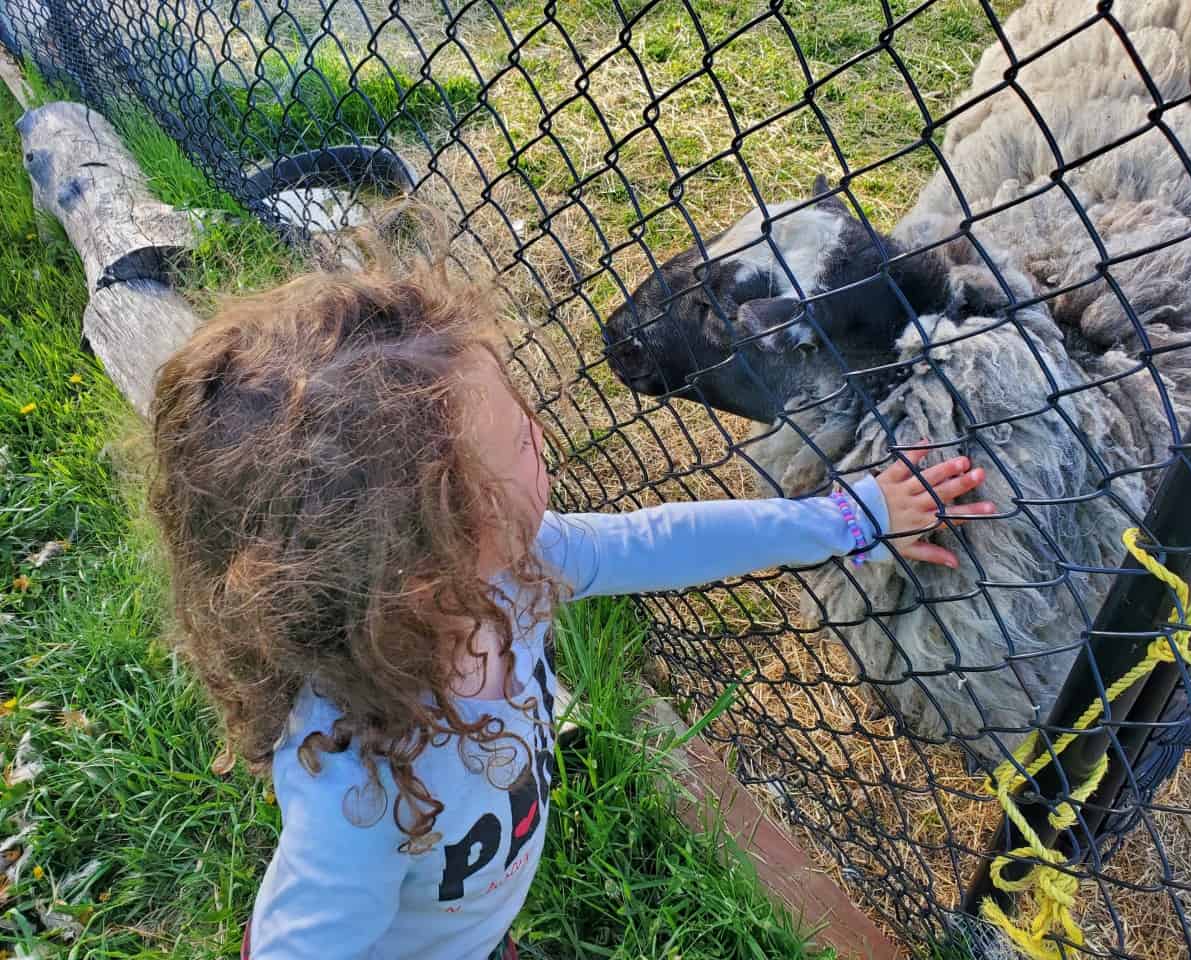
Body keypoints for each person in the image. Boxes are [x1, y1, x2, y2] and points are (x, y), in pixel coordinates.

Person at [146, 246, 994, 960]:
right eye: (515, 439)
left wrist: (853, 516)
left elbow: (668, 540)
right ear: (426, 551)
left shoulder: (517, 568)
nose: (538, 431)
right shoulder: (357, 790)